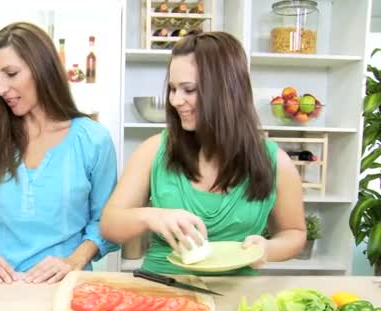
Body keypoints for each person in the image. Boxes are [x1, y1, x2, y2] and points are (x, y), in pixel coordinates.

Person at [100, 31, 306, 275]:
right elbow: (109, 224)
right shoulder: (154, 150)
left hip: (236, 295)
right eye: (172, 89)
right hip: (162, 287)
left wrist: (268, 248)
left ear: (227, 91)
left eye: (188, 89)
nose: (175, 100)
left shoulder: (276, 162)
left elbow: (294, 233)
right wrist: (150, 216)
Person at [0, 22, 118, 284]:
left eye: (11, 73)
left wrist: (74, 261)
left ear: (43, 70)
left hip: (66, 288)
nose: (0, 88)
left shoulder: (93, 139)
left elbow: (105, 220)